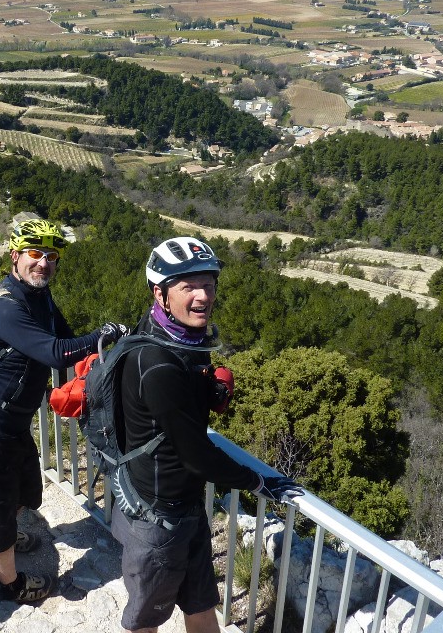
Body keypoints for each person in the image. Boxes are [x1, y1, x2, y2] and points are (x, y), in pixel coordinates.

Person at [112, 236, 302, 633]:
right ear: (160, 293)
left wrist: (203, 389)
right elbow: (196, 454)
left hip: (183, 506)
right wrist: (258, 480)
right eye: (188, 287)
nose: (203, 296)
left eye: (209, 284)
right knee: (145, 620)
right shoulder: (159, 363)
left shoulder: (173, 335)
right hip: (159, 517)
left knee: (200, 605)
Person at [0, 218, 128, 604]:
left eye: (51, 256)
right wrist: (105, 334)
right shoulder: (5, 308)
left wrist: (106, 364)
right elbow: (55, 353)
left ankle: (9, 536)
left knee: (28, 491)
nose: (43, 263)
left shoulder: (40, 299)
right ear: (15, 256)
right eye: (35, 254)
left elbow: (66, 339)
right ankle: (11, 585)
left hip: (14, 427)